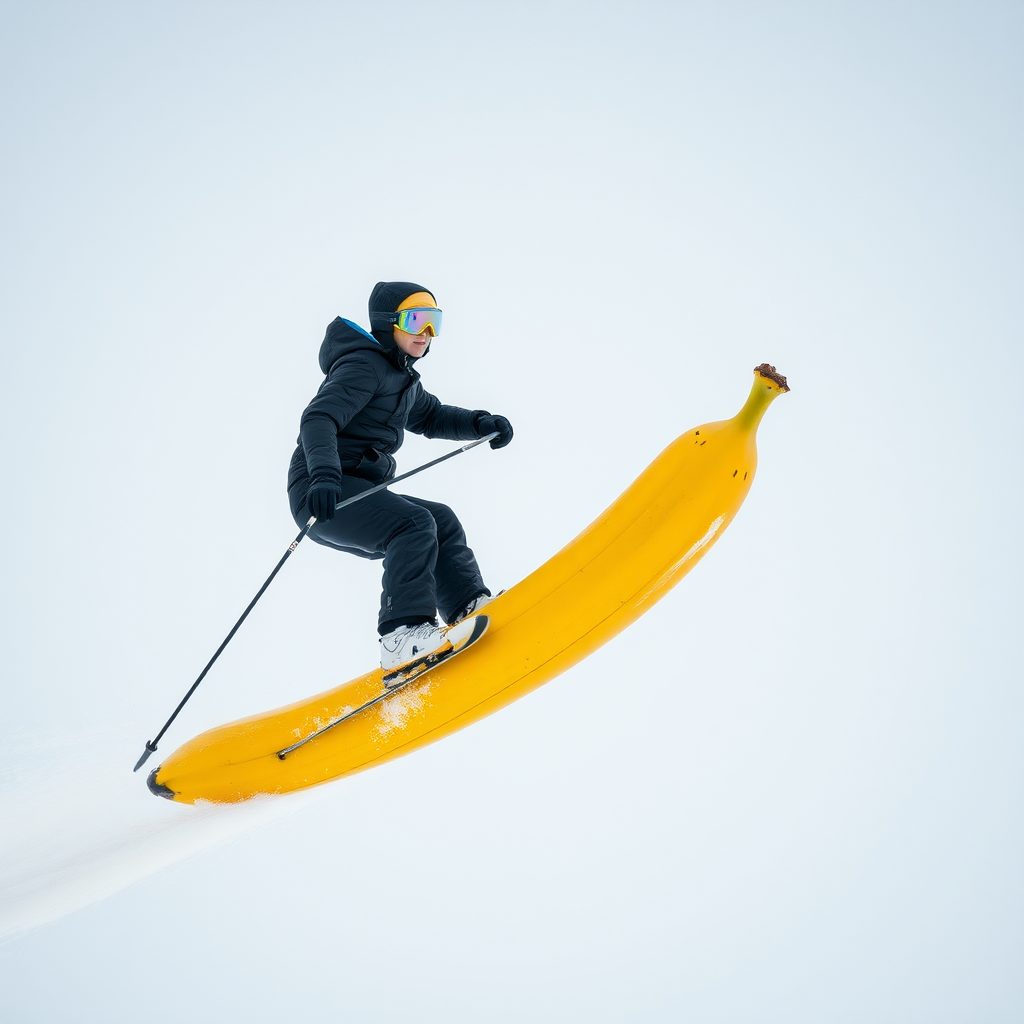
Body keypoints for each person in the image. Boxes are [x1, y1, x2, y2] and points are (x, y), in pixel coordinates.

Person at [287, 281, 513, 676]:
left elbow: (431, 416)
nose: (426, 334)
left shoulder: (401, 379)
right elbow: (318, 417)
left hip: (355, 486)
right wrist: (323, 475)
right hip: (322, 490)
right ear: (388, 324)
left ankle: (466, 605)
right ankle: (402, 635)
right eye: (416, 321)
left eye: (434, 324)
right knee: (412, 524)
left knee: (439, 518)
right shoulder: (364, 366)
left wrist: (480, 423)